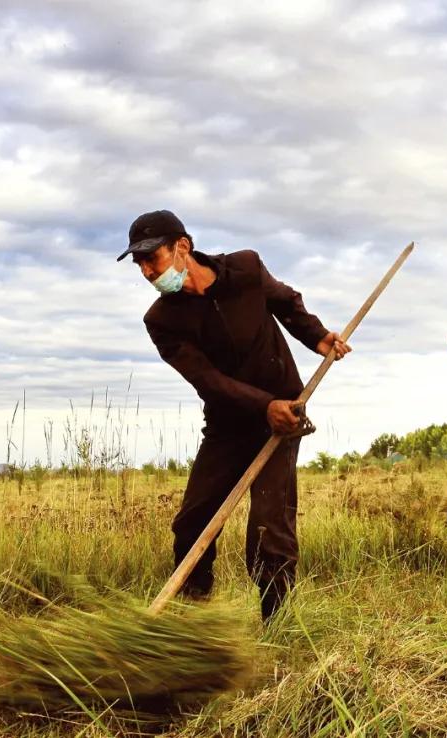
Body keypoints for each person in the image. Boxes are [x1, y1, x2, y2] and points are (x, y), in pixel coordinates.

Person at [118, 210, 350, 620]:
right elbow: (208, 380)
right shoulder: (162, 320)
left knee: (268, 529)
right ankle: (196, 621)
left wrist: (316, 335)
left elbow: (286, 302)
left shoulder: (245, 269)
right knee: (192, 524)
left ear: (182, 247)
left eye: (151, 257)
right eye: (139, 263)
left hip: (285, 417)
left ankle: (275, 625)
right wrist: (263, 406)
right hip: (228, 425)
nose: (145, 270)